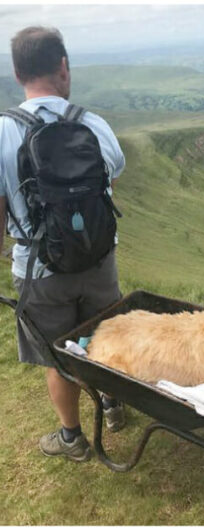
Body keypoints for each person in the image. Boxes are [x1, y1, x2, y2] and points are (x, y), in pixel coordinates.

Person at [0, 27, 127, 462]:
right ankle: (112, 403)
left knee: (60, 356)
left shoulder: (3, 133)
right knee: (105, 337)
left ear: (18, 74)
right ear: (63, 67)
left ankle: (72, 438)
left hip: (40, 271)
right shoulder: (92, 124)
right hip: (98, 258)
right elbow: (109, 180)